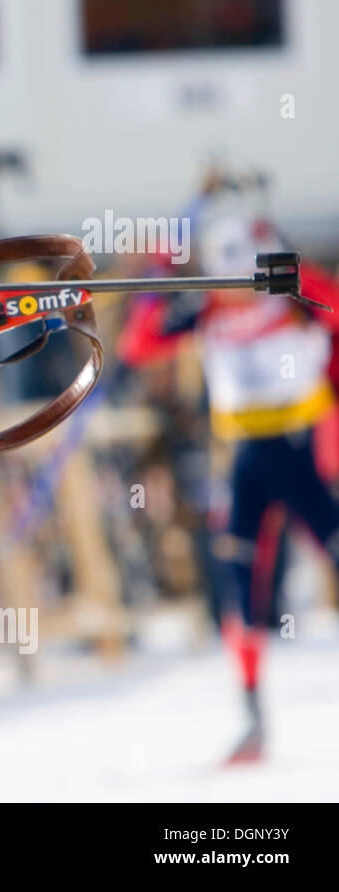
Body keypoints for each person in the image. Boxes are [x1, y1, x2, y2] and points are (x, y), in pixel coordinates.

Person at [119, 208, 339, 763]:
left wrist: (295, 274)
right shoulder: (207, 306)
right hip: (246, 459)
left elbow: (332, 306)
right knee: (241, 590)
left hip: (304, 448)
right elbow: (138, 346)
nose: (237, 297)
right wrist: (160, 280)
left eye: (244, 281)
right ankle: (253, 719)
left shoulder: (288, 298)